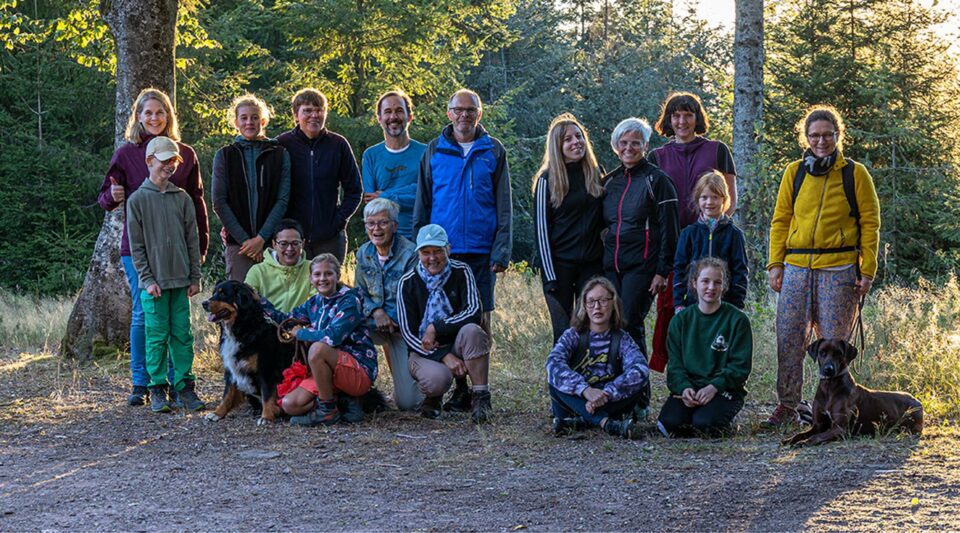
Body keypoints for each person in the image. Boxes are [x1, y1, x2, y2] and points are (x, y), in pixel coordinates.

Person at [765, 105, 880, 426]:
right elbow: (780, 219)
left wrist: (867, 270)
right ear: (805, 137)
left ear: (838, 135)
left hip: (839, 269)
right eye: (814, 135)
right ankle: (788, 406)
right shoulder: (794, 172)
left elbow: (870, 224)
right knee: (789, 338)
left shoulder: (855, 174)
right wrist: (775, 263)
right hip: (796, 267)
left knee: (833, 344)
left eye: (827, 135)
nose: (821, 141)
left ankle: (835, 408)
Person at [97, 87, 209, 407]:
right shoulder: (126, 154)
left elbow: (196, 203)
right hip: (139, 250)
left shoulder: (184, 154)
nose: (155, 118)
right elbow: (106, 195)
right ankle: (143, 383)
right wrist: (112, 197)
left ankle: (179, 383)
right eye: (148, 112)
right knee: (144, 315)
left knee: (178, 322)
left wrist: (200, 248)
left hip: (177, 252)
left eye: (160, 112)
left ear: (168, 115)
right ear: (138, 116)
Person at [647, 91, 738, 373]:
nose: (682, 121)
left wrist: (711, 229)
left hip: (709, 240)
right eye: (676, 115)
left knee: (710, 308)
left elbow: (731, 199)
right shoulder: (657, 156)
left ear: (697, 118)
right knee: (672, 309)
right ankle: (676, 372)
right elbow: (651, 208)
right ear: (668, 119)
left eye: (688, 115)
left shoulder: (717, 150)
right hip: (673, 244)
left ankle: (711, 370)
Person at [412, 88, 512, 335]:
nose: (464, 115)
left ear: (479, 114)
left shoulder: (493, 150)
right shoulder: (434, 149)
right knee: (443, 317)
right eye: (458, 110)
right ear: (449, 113)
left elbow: (504, 205)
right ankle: (449, 363)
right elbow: (422, 203)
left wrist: (501, 250)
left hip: (482, 252)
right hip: (442, 251)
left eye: (470, 110)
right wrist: (421, 246)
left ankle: (480, 362)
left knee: (480, 321)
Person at [125, 136, 204, 413]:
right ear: (149, 161)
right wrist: (147, 280)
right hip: (154, 285)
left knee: (182, 335)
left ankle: (184, 386)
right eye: (164, 160)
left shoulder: (182, 198)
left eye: (174, 161)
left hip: (181, 282)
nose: (170, 165)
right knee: (156, 337)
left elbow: (192, 240)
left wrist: (195, 277)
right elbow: (136, 247)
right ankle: (157, 388)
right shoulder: (137, 200)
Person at [266, 254, 378, 426]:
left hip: (358, 369)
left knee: (318, 349)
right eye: (317, 274)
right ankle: (344, 403)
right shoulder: (314, 302)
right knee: (290, 405)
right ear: (311, 279)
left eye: (328, 273)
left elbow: (333, 337)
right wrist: (261, 303)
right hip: (328, 371)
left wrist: (302, 333)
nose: (322, 278)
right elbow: (288, 321)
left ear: (337, 276)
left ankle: (327, 412)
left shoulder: (350, 300)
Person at [396, 224, 493, 423]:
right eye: (426, 252)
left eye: (438, 251)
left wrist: (436, 327)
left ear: (448, 249)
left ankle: (480, 397)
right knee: (436, 380)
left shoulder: (461, 271)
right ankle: (433, 398)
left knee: (473, 331)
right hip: (425, 350)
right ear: (418, 254)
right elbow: (408, 334)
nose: (432, 258)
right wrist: (443, 355)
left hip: (458, 342)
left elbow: (474, 312)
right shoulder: (407, 282)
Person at [602, 117, 679, 353]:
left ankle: (638, 376)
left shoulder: (658, 180)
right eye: (623, 142)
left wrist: (662, 271)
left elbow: (670, 229)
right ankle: (616, 374)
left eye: (635, 143)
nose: (629, 148)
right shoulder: (609, 182)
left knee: (629, 322)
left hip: (643, 266)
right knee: (610, 323)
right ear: (616, 146)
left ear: (645, 146)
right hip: (611, 266)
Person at [657, 257, 752, 438]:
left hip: (723, 389)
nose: (711, 287)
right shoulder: (680, 321)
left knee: (705, 424)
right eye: (705, 281)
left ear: (724, 286)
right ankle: (692, 414)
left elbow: (740, 367)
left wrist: (715, 386)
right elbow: (675, 366)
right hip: (691, 389)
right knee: (669, 424)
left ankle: (721, 418)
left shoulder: (737, 320)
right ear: (694, 283)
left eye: (717, 282)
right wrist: (684, 388)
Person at [546, 277, 650, 439]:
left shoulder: (622, 339)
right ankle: (607, 424)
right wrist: (585, 390)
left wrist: (606, 393)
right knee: (555, 380)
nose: (597, 307)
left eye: (603, 301)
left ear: (613, 304)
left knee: (639, 383)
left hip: (607, 400)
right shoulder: (573, 335)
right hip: (576, 399)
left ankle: (580, 422)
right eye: (591, 301)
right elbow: (553, 363)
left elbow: (640, 368)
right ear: (584, 306)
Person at [533, 113, 605, 342]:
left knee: (591, 328)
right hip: (559, 268)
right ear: (558, 146)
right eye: (568, 139)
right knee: (564, 333)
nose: (576, 142)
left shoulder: (595, 174)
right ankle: (561, 368)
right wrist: (550, 277)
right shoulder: (546, 180)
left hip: (591, 266)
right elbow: (541, 232)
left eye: (579, 136)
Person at [212, 93, 291, 282]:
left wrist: (261, 238)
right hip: (239, 246)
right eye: (244, 118)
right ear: (236, 122)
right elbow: (219, 202)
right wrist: (247, 242)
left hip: (273, 244)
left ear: (263, 121)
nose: (249, 122)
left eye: (255, 117)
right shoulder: (225, 155)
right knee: (240, 297)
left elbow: (283, 199)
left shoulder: (279, 154)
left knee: (273, 298)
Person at [278, 88, 362, 261]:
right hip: (292, 241)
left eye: (319, 110)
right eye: (307, 111)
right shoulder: (282, 144)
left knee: (329, 278)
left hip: (329, 238)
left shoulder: (338, 144)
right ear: (296, 115)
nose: (314, 115)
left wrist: (337, 221)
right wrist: (282, 226)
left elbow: (354, 190)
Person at [354, 198, 421, 411]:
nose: (376, 229)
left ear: (395, 225)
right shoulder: (363, 252)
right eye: (370, 223)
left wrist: (389, 316)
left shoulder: (411, 254)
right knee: (344, 331)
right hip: (373, 323)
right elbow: (359, 292)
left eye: (383, 223)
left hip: (402, 328)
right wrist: (376, 311)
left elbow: (413, 297)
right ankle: (354, 391)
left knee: (408, 403)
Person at [673, 171, 749, 311]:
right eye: (704, 197)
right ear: (698, 199)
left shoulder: (734, 235)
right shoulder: (688, 234)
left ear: (724, 199)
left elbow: (740, 271)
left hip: (725, 306)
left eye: (715, 197)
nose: (709, 202)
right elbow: (679, 270)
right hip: (693, 305)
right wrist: (679, 303)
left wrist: (736, 305)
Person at [361, 89, 426, 239]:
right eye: (388, 112)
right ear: (379, 118)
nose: (393, 117)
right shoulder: (371, 156)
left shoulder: (425, 152)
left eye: (399, 111)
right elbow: (372, 204)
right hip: (384, 239)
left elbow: (426, 197)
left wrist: (386, 195)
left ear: (409, 117)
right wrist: (412, 190)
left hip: (419, 238)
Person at [244, 218, 313, 314]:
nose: (289, 248)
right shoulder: (258, 271)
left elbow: (318, 302)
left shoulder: (313, 268)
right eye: (283, 244)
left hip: (302, 321)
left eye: (295, 243)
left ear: (303, 244)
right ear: (274, 244)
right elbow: (247, 303)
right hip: (267, 322)